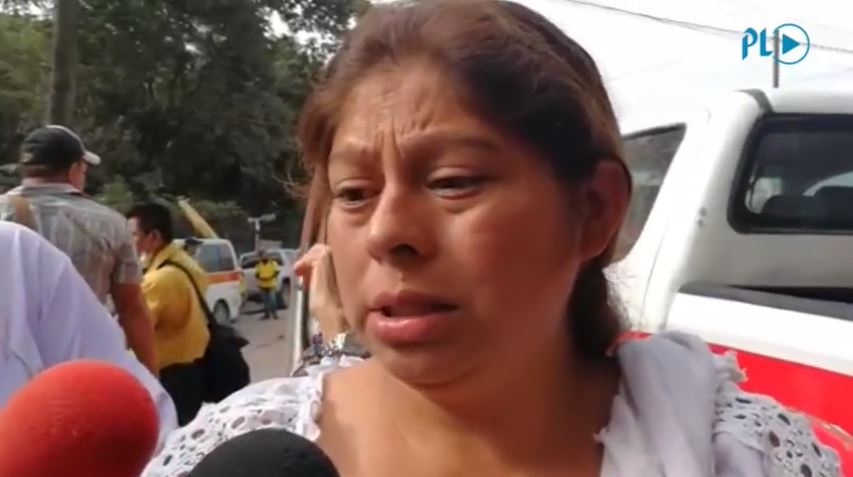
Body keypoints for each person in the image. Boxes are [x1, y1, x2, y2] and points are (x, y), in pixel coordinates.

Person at [143, 1, 841, 476]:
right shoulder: (236, 450)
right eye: (353, 193)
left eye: (452, 181)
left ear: (593, 210)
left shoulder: (735, 455)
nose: (387, 233)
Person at [0, 221, 178, 451]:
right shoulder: (110, 226)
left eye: (136, 234)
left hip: (99, 375)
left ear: (153, 237)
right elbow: (134, 311)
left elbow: (133, 312)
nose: (134, 240)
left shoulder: (17, 254)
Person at [0, 125, 158, 375]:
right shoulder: (110, 224)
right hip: (82, 371)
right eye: (84, 170)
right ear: (74, 170)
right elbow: (131, 309)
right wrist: (151, 377)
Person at [127, 203, 211, 425]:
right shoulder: (184, 263)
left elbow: (132, 332)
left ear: (153, 237)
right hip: (192, 370)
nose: (127, 243)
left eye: (133, 235)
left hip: (170, 376)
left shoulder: (158, 280)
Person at [254, 250, 281, 320]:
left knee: (272, 300)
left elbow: (277, 272)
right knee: (265, 301)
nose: (264, 257)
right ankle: (267, 315)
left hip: (271, 284)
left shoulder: (272, 263)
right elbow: (256, 274)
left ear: (268, 256)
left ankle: (275, 314)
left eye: (265, 255)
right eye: (262, 256)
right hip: (263, 285)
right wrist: (261, 278)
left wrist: (270, 277)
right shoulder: (259, 265)